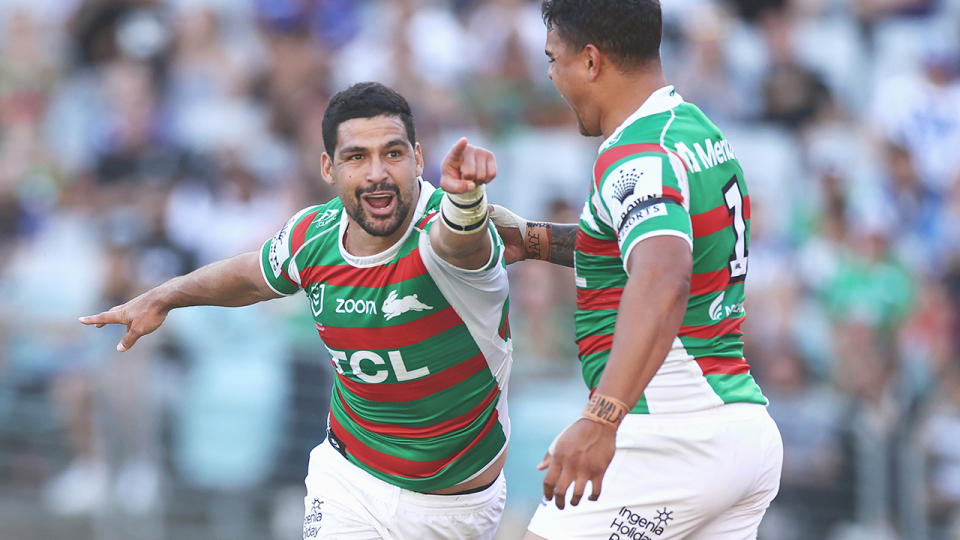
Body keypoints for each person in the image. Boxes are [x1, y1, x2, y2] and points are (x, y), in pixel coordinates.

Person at [80, 81, 513, 539]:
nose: (377, 173)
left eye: (393, 153)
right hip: (350, 478)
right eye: (356, 157)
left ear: (418, 159)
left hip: (450, 508)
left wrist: (467, 203)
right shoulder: (313, 235)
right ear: (328, 167)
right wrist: (164, 295)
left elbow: (461, 245)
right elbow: (249, 277)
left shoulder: (447, 227)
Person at [492, 2, 783, 538]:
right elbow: (635, 251)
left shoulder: (635, 153)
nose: (551, 76)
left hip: (672, 429)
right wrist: (535, 241)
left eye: (554, 59)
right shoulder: (695, 131)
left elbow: (663, 276)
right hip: (739, 425)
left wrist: (602, 418)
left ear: (592, 61)